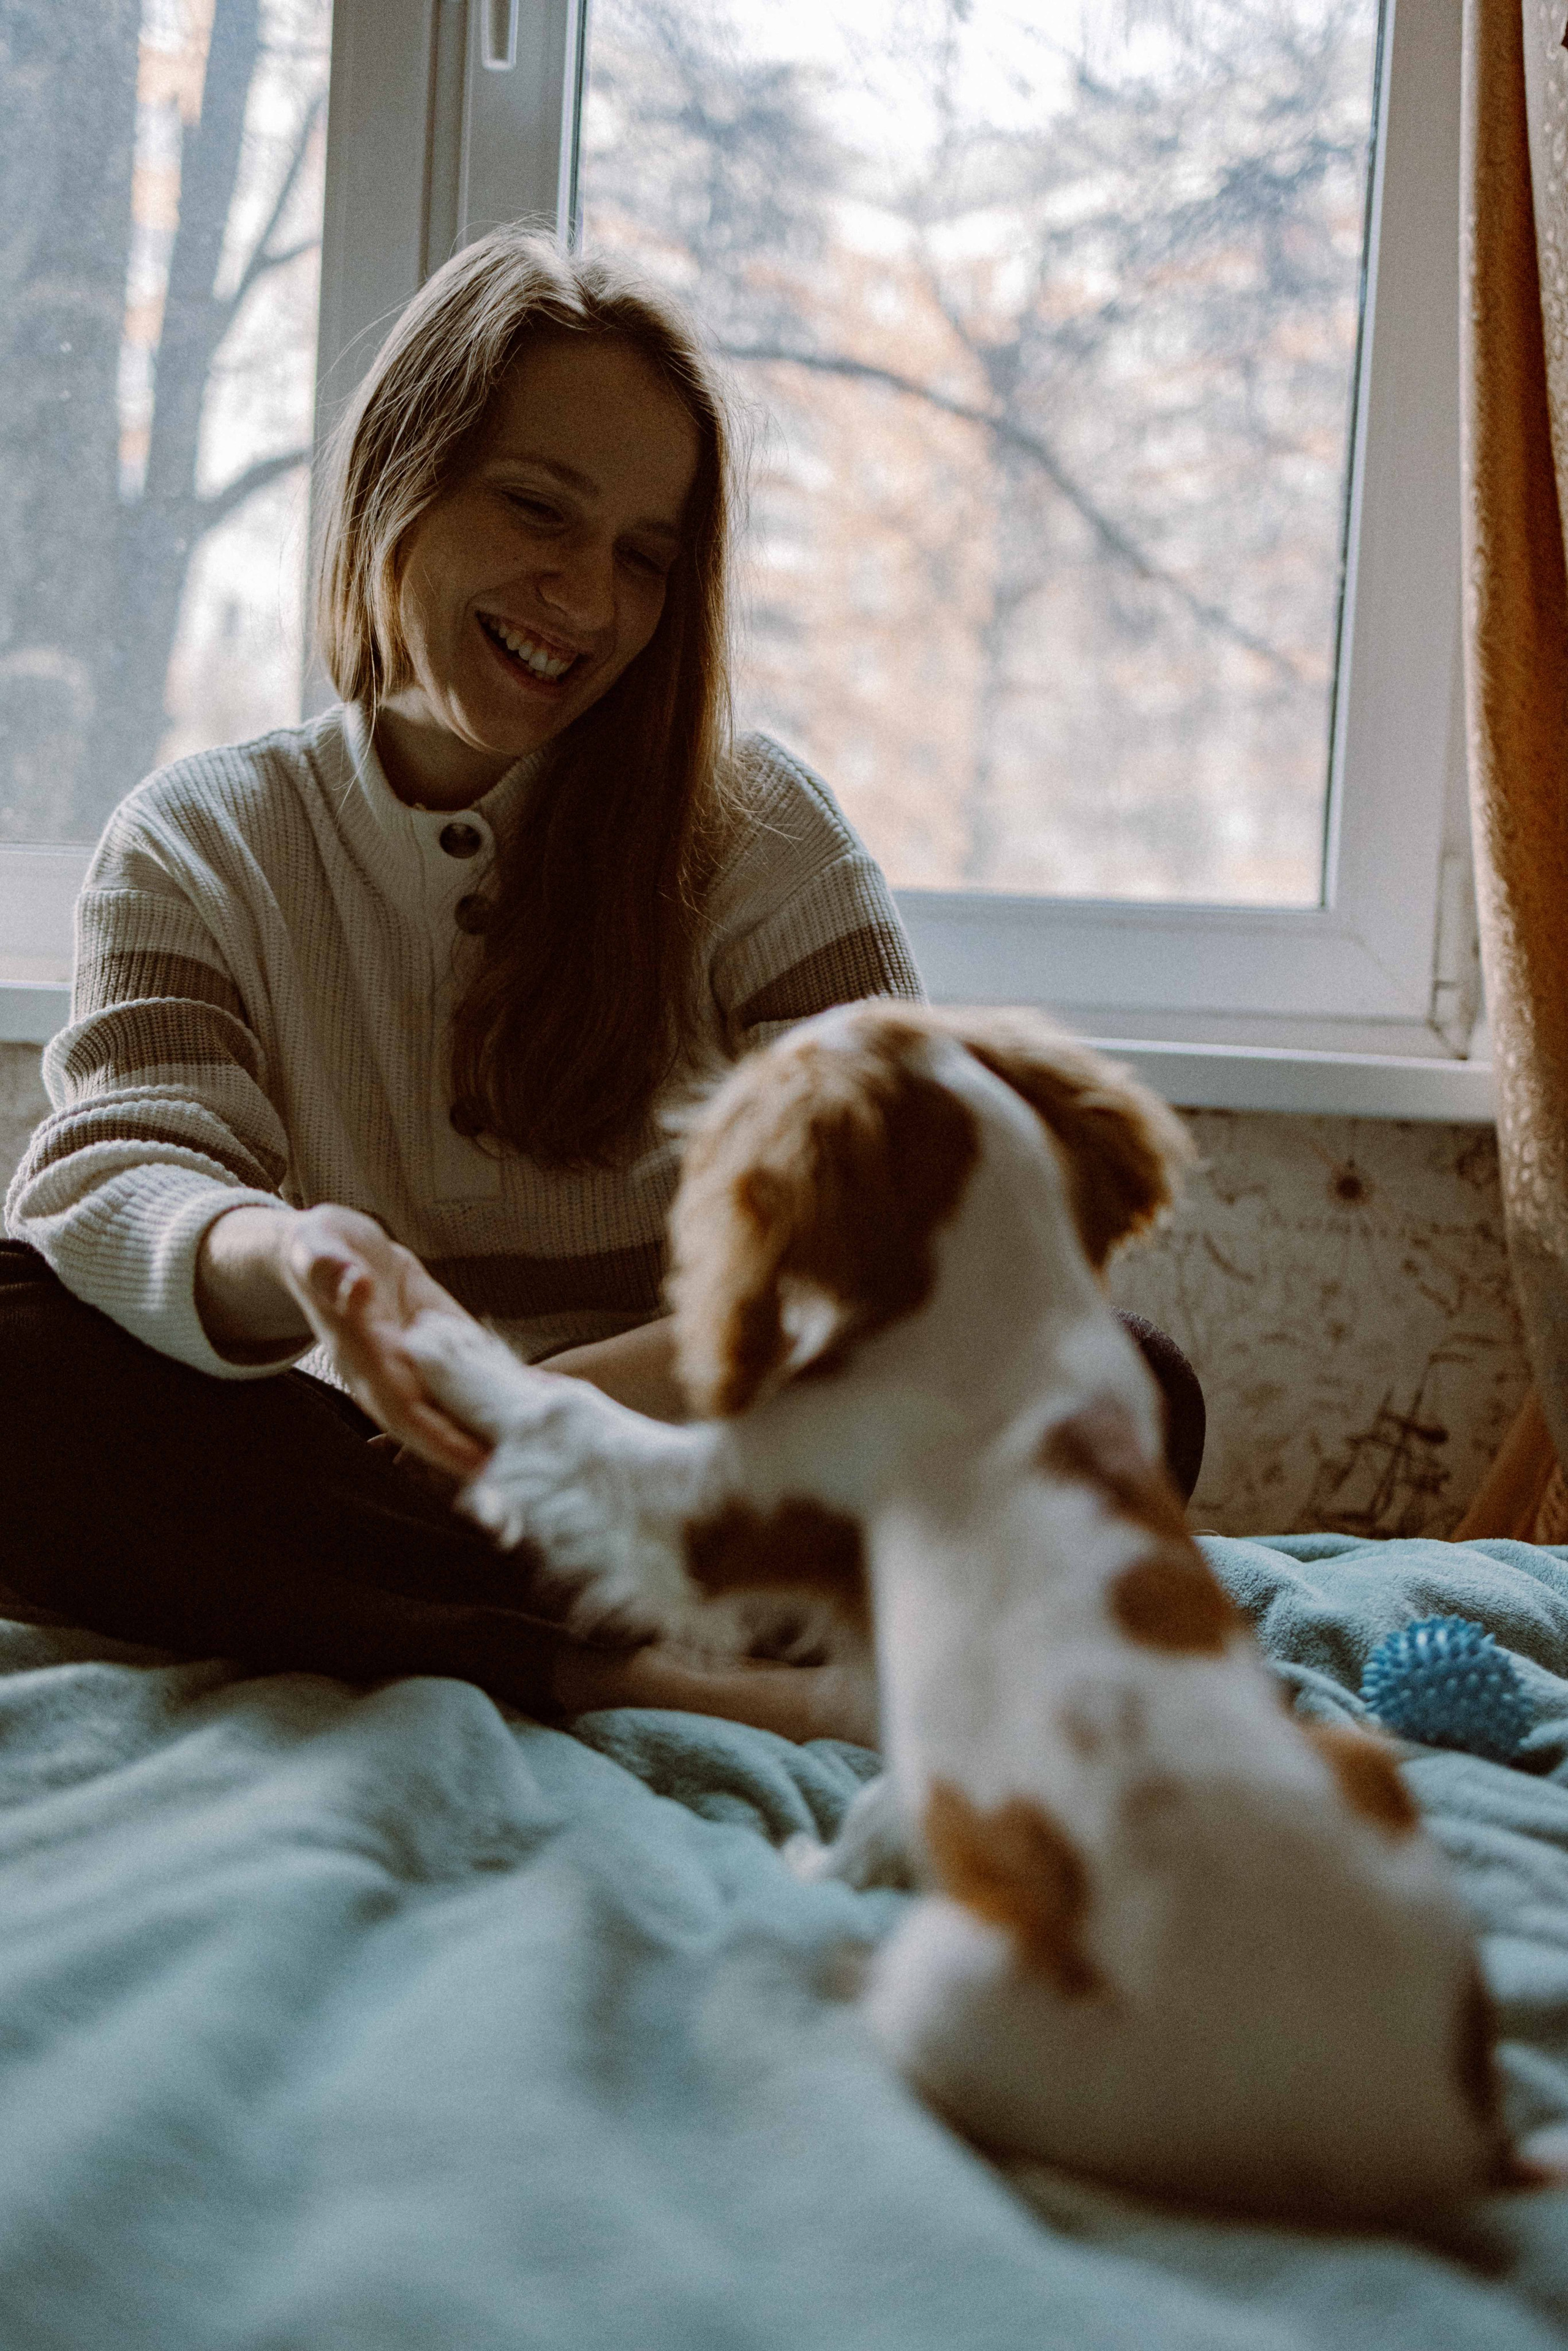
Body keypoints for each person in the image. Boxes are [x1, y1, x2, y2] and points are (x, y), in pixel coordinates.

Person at [0, 230, 1200, 1737]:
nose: (585, 596)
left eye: (645, 554)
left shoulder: (757, 828)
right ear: (397, 482)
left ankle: (428, 1604)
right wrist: (296, 1252)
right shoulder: (199, 839)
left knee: (1120, 1378)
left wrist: (544, 1418)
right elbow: (122, 1166)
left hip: (698, 1465)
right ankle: (632, 1672)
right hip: (397, 1474)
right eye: (537, 508)